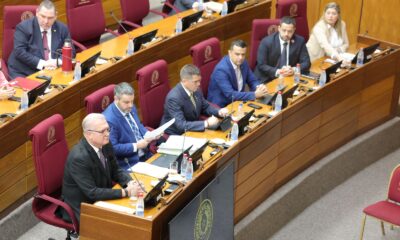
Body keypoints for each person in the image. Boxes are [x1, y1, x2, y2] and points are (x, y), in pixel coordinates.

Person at [60, 113, 140, 223]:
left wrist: (130, 183)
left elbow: (115, 169)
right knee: (121, 224)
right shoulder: (78, 158)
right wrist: (125, 192)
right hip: (84, 205)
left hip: (102, 193)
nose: (107, 134)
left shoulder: (105, 143)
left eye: (108, 129)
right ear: (89, 135)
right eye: (102, 131)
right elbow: (92, 193)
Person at [7, 0, 75, 79]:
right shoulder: (23, 28)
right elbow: (19, 52)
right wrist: (43, 64)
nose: (46, 21)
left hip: (52, 71)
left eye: (50, 18)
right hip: (24, 72)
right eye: (43, 16)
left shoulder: (62, 28)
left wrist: (57, 62)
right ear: (37, 13)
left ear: (56, 16)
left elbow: (71, 51)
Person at [161, 64, 229, 135]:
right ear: (184, 81)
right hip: (176, 134)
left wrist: (219, 112)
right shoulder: (174, 98)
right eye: (195, 81)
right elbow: (181, 125)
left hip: (192, 128)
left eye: (199, 80)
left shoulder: (196, 90)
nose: (199, 84)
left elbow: (205, 107)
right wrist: (206, 123)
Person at [103, 82, 157, 170]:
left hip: (146, 154)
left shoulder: (130, 107)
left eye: (132, 101)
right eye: (127, 102)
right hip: (130, 163)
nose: (131, 105)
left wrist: (150, 134)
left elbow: (138, 126)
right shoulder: (109, 120)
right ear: (116, 99)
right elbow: (113, 148)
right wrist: (136, 146)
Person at [207, 39, 268, 108]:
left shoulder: (243, 62)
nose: (240, 58)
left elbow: (252, 80)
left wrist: (259, 87)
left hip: (238, 102)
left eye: (243, 54)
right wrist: (254, 94)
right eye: (237, 54)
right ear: (229, 53)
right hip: (222, 106)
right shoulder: (221, 70)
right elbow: (231, 95)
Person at [254, 16, 311, 83]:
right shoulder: (266, 42)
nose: (286, 34)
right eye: (284, 30)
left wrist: (293, 70)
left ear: (294, 30)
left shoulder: (299, 41)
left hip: (289, 77)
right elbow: (261, 65)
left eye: (290, 31)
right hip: (268, 78)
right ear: (279, 28)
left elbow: (306, 63)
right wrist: (279, 72)